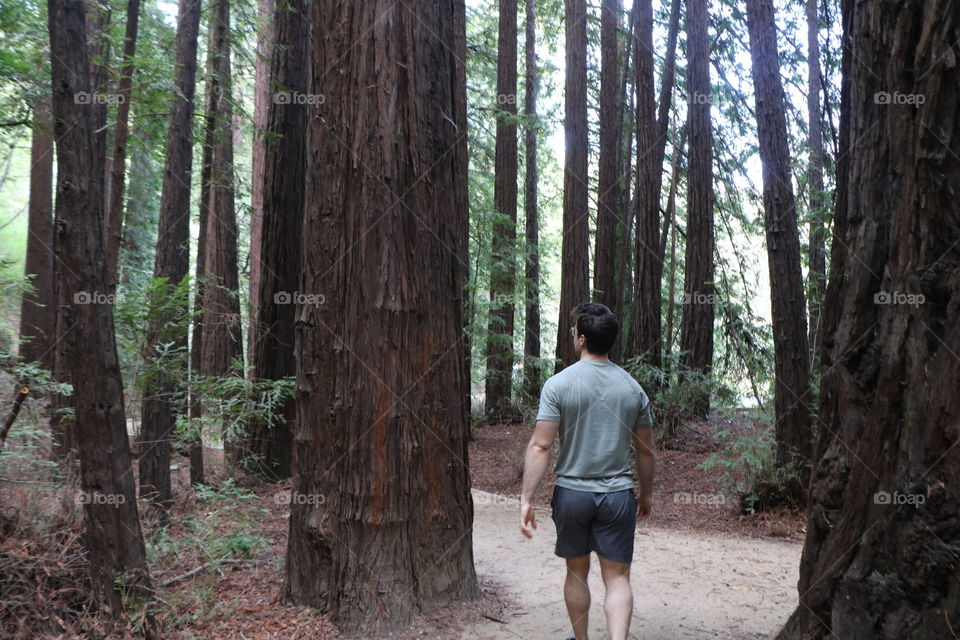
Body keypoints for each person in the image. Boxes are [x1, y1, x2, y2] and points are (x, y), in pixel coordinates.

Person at [520, 302, 656, 640]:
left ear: (581, 339)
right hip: (617, 496)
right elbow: (645, 450)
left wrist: (526, 498)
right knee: (618, 578)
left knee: (576, 573)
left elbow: (540, 446)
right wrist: (647, 493)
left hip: (572, 495)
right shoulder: (632, 389)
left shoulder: (558, 385)